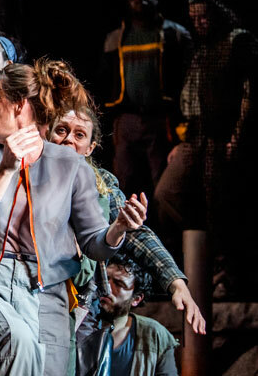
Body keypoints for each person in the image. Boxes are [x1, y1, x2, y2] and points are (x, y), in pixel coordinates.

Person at [0, 60, 147, 375]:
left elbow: (95, 243)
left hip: (49, 292)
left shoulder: (70, 165)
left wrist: (118, 228)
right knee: (19, 344)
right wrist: (5, 169)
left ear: (18, 106)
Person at [48, 108, 206, 335]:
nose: (68, 139)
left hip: (77, 302)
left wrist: (176, 283)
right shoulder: (30, 174)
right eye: (61, 130)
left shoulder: (100, 183)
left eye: (79, 135)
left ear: (90, 148)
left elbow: (138, 235)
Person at [155, 0, 258, 297]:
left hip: (223, 138)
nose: (198, 23)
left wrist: (238, 137)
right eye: (194, 18)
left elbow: (250, 93)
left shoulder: (238, 41)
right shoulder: (201, 49)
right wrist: (183, 140)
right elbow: (191, 96)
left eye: (203, 17)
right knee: (165, 194)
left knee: (221, 207)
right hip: (197, 137)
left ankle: (224, 274)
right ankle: (197, 258)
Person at [99, 0, 192, 197]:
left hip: (159, 119)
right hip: (127, 120)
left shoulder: (173, 34)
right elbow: (104, 78)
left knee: (162, 180)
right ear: (128, 2)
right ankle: (122, 228)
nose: (141, 0)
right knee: (122, 178)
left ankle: (162, 229)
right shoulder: (116, 38)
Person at [77, 253, 178, 376]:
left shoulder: (154, 335)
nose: (107, 287)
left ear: (136, 299)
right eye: (105, 279)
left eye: (119, 284)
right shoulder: (78, 323)